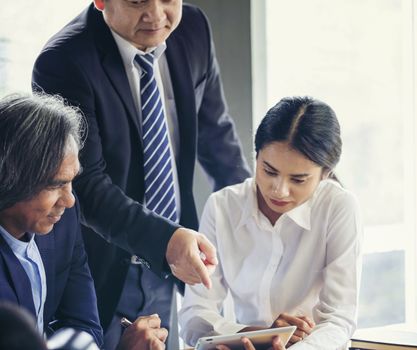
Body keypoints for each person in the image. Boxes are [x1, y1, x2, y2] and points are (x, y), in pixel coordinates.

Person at [32, 0, 251, 347]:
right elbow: (85, 186)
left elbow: (216, 137)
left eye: (167, 0)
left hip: (172, 262)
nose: (155, 15)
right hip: (100, 267)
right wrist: (167, 240)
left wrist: (253, 215)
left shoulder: (192, 28)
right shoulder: (63, 62)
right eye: (137, 2)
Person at [179, 96, 363, 350]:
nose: (280, 191)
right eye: (269, 171)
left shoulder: (339, 208)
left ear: (325, 174)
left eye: (298, 180)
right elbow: (194, 314)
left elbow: (338, 319)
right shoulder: (222, 207)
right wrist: (253, 335)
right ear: (256, 157)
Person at [0, 93, 169, 350]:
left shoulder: (63, 220)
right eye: (56, 185)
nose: (69, 201)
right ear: (11, 178)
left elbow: (84, 327)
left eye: (71, 181)